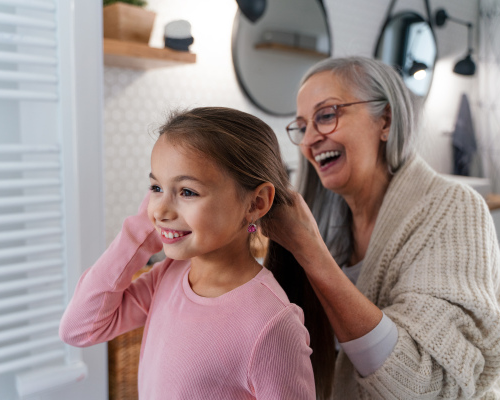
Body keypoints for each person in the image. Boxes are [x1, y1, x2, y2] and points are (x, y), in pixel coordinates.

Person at [262, 57, 500, 399]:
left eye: (326, 116)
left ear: (385, 120)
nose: (310, 139)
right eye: (302, 126)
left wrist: (310, 251)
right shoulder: (333, 221)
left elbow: (426, 384)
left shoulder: (454, 209)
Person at [59, 107, 316, 399]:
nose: (160, 210)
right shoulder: (167, 276)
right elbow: (78, 329)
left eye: (187, 192)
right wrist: (140, 233)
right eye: (156, 187)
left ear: (256, 203)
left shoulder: (271, 325)